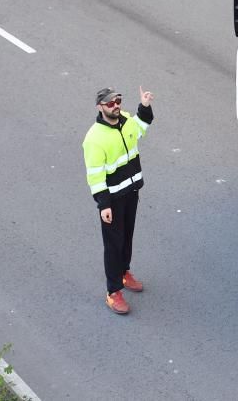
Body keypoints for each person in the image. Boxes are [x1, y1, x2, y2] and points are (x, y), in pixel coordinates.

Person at [83, 86, 155, 315]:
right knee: (113, 246)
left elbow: (141, 128)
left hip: (131, 191)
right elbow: (95, 175)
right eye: (110, 103)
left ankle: (124, 273)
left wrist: (144, 106)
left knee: (126, 238)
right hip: (112, 199)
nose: (115, 106)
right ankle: (113, 292)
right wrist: (103, 204)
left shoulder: (125, 120)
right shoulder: (94, 138)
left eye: (118, 101)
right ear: (100, 107)